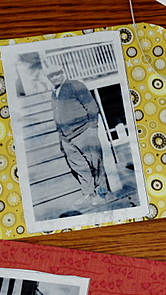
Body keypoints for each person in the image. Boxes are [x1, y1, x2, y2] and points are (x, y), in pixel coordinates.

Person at [45, 64, 113, 207]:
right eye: (51, 76)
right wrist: (61, 138)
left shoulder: (75, 85)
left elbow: (92, 107)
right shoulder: (54, 93)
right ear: (49, 78)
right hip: (67, 138)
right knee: (80, 167)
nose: (55, 77)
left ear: (62, 72)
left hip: (84, 132)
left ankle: (102, 193)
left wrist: (92, 129)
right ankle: (88, 193)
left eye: (57, 74)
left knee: (96, 164)